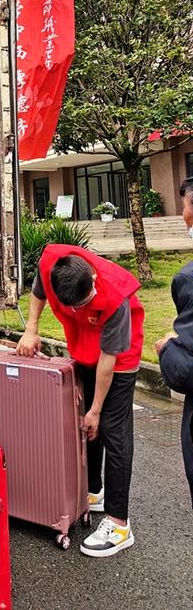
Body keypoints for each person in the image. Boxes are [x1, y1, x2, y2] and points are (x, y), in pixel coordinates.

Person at [17, 244, 144, 558]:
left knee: (112, 430)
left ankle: (118, 523)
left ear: (93, 278)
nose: (88, 305)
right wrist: (30, 329)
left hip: (117, 358)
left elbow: (108, 360)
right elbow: (38, 289)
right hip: (83, 349)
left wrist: (97, 409)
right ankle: (94, 490)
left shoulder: (115, 296)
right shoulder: (53, 265)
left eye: (89, 300)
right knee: (83, 422)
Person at [156, 177, 193, 507]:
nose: (182, 214)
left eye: (184, 205)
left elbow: (186, 371)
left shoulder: (188, 279)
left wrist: (168, 347)